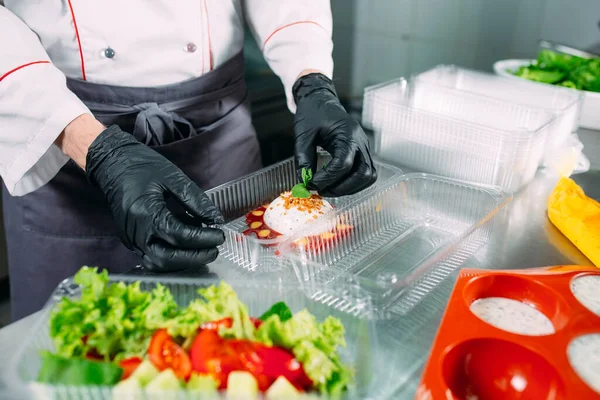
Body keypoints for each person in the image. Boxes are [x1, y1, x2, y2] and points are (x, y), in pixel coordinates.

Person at [0, 1, 377, 321]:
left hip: (218, 132)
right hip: (60, 133)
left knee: (234, 331)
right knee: (77, 352)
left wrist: (310, 76)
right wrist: (95, 149)